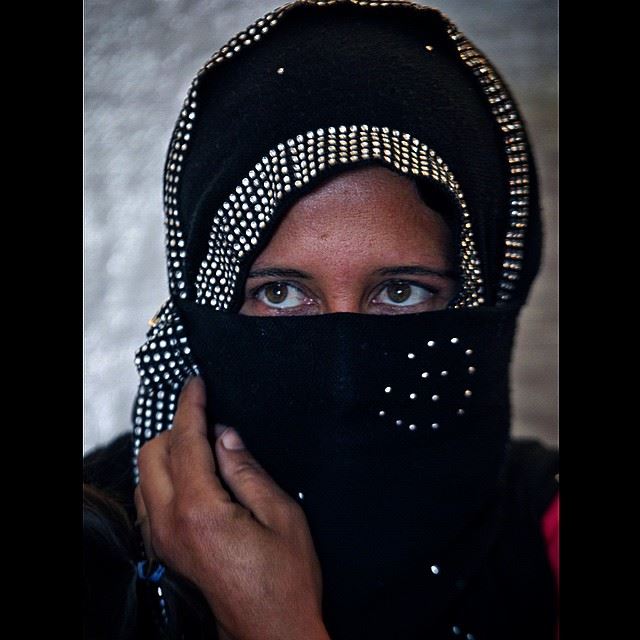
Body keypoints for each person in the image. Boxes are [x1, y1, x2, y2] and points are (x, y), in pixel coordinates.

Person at [83, 1, 559, 639]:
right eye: (279, 294)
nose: (342, 376)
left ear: (484, 302)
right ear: (201, 305)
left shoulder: (548, 534)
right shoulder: (95, 554)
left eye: (400, 292)